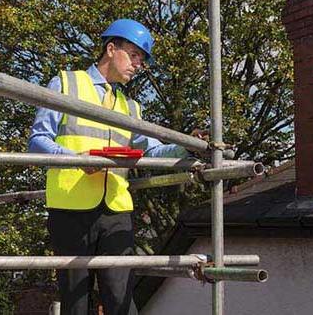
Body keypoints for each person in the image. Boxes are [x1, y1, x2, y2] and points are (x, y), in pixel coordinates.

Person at [28, 19, 191, 315]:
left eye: (142, 59)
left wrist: (186, 146)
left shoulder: (131, 107)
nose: (138, 65)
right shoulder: (65, 84)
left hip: (116, 209)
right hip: (70, 207)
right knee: (75, 302)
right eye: (134, 55)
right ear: (111, 48)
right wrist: (79, 161)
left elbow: (151, 151)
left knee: (121, 298)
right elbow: (38, 140)